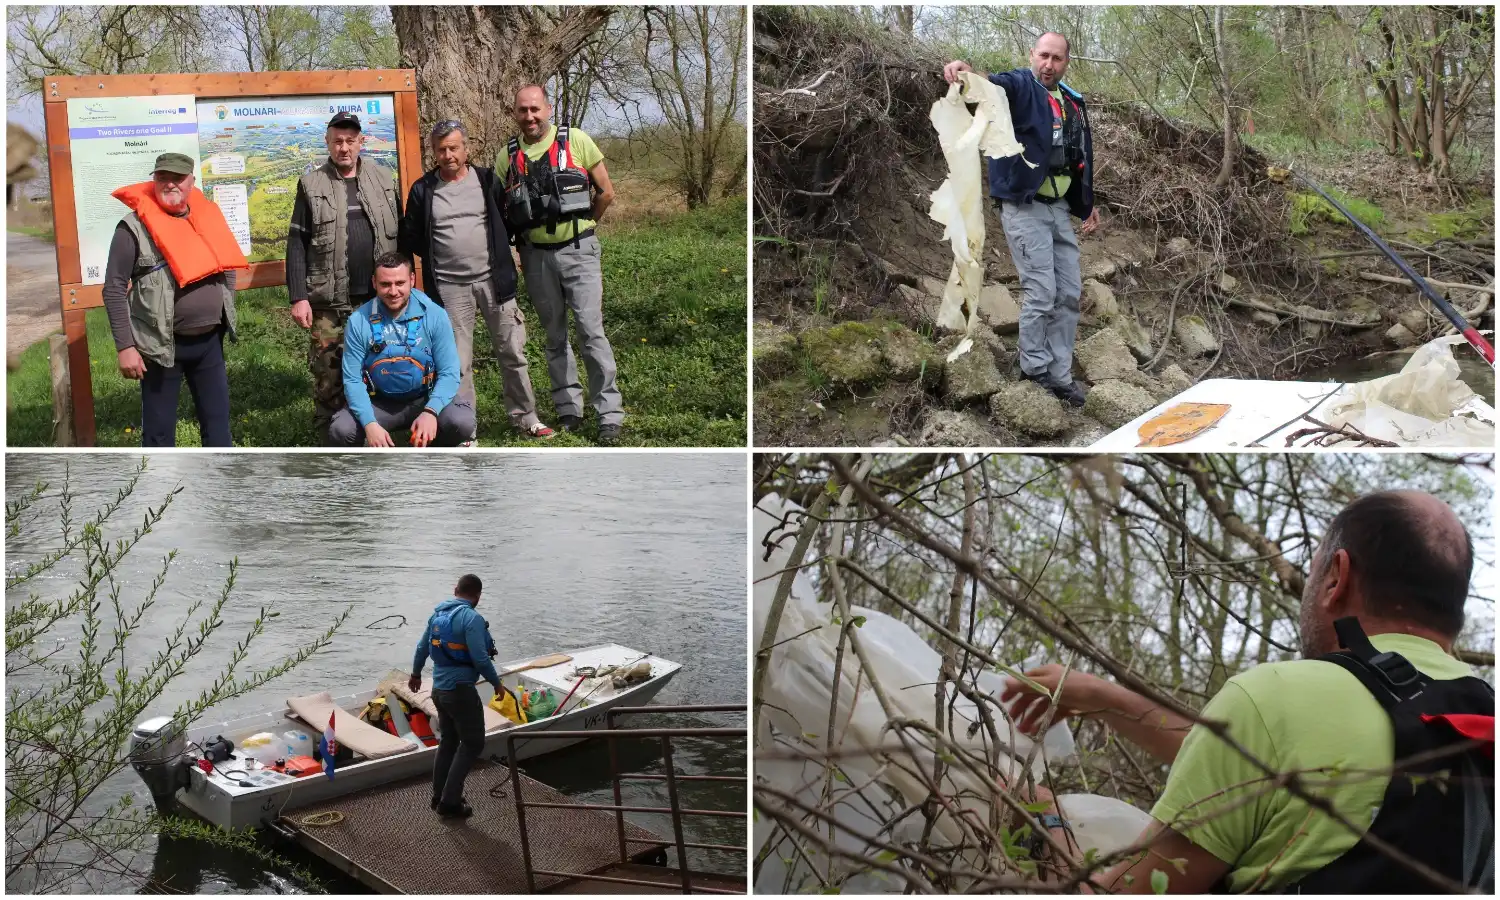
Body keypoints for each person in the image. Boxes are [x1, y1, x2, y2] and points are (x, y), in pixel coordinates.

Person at [999, 490, 1493, 892]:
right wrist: (1108, 698)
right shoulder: (1477, 713)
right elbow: (1257, 763)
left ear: (1336, 577)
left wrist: (1040, 820)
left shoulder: (1275, 699)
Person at [944, 32, 1099, 407]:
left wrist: (1087, 203)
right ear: (1032, 54)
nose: (1049, 64)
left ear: (1067, 62)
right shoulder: (1019, 86)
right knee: (1042, 291)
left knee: (1069, 294)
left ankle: (1059, 376)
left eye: (1057, 58)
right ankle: (1034, 371)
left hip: (1059, 208)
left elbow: (1078, 156)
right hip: (1024, 205)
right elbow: (991, 88)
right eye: (1043, 56)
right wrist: (967, 75)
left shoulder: (1071, 101)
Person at [399, 119, 553, 441]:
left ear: (466, 149)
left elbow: (507, 221)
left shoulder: (487, 181)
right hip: (448, 288)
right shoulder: (423, 190)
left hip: (493, 281)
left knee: (512, 352)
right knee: (456, 362)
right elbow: (410, 237)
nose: (448, 155)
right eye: (441, 149)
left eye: (454, 147)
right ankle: (465, 426)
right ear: (433, 153)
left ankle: (526, 418)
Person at [498, 84, 624, 445]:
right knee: (554, 337)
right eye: (523, 110)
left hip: (579, 249)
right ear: (516, 113)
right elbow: (503, 207)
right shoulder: (507, 155)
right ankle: (569, 409)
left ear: (548, 109)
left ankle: (608, 415)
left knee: (590, 331)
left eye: (535, 109)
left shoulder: (577, 141)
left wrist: (587, 227)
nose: (530, 116)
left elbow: (606, 191)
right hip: (535, 256)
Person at [102, 152, 248, 446]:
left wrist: (223, 306)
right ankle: (160, 491)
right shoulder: (132, 228)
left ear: (191, 182)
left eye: (178, 178)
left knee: (218, 429)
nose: (170, 184)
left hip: (209, 344)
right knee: (158, 435)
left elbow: (227, 266)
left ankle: (218, 488)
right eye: (162, 178)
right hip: (159, 346)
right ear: (153, 181)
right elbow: (113, 288)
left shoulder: (208, 216)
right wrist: (125, 347)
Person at [286, 111, 403, 442]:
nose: (344, 148)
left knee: (383, 366)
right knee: (330, 376)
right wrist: (298, 296)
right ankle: (331, 441)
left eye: (351, 141)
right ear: (328, 142)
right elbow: (297, 242)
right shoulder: (311, 184)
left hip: (379, 301)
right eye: (337, 141)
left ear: (361, 143)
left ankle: (378, 434)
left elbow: (402, 239)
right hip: (329, 303)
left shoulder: (383, 179)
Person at [328, 252, 475, 447]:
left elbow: (449, 373)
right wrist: (370, 423)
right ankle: (368, 460)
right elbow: (352, 380)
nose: (393, 291)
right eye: (385, 284)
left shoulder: (435, 315)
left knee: (462, 423)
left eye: (400, 283)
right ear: (374, 283)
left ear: (412, 280)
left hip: (424, 397)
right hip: (380, 402)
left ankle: (431, 451)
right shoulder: (358, 321)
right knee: (341, 430)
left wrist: (431, 411)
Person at [410, 574, 501, 819]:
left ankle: (438, 795)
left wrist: (416, 674)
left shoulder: (437, 616)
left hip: (439, 691)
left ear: (455, 589)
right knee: (473, 744)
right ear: (477, 596)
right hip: (461, 691)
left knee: (449, 741)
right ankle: (450, 802)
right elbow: (481, 659)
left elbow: (421, 648)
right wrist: (497, 684)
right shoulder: (471, 618)